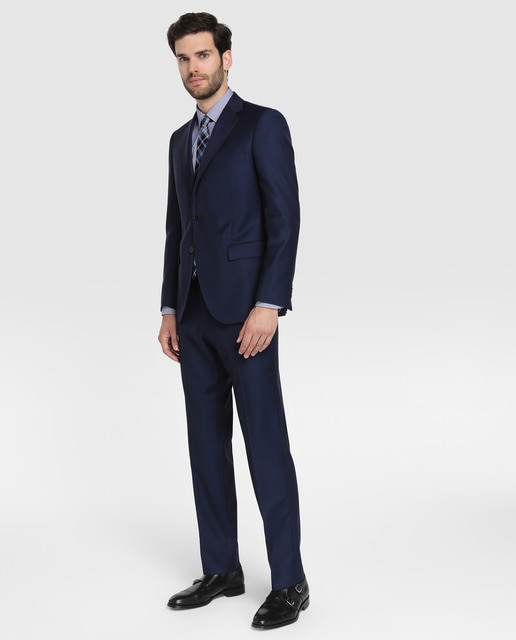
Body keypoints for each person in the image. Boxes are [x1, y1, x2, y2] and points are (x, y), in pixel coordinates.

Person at [157, 12, 308, 630]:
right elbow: (177, 229)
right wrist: (169, 307)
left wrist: (269, 304)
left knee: (264, 445)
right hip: (193, 316)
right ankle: (221, 568)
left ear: (225, 57)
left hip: (248, 317)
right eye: (183, 58)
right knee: (204, 446)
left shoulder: (262, 125)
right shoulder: (178, 140)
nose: (193, 67)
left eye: (203, 55)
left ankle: (290, 581)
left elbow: (284, 220)